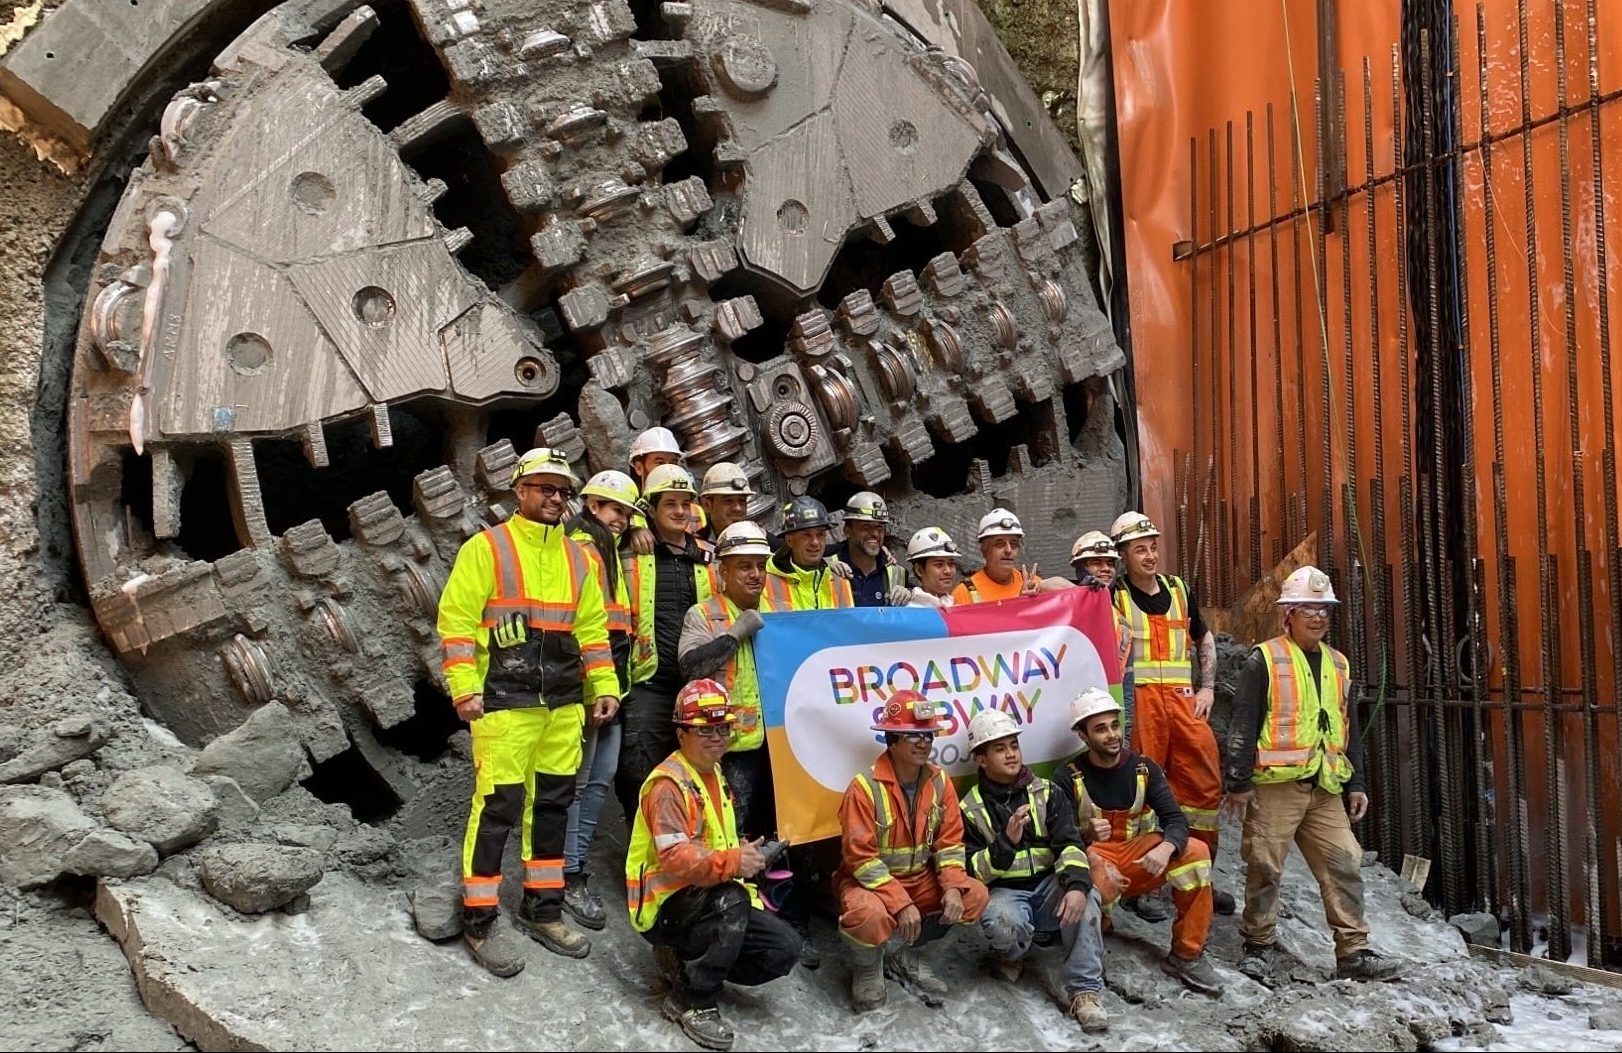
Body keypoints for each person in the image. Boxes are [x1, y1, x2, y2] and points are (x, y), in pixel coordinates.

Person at [436, 447, 619, 971]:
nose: (554, 498)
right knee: (497, 810)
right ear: (519, 490)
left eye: (561, 491)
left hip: (562, 706)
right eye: (543, 487)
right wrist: (464, 688)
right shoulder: (486, 549)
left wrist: (602, 683)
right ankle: (480, 918)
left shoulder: (580, 557)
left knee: (553, 809)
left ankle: (543, 909)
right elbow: (457, 623)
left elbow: (592, 631)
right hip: (503, 704)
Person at [1222, 566, 1405, 983]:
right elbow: (1243, 723)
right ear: (1288, 613)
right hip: (1274, 787)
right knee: (1265, 865)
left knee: (1344, 861)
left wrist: (1355, 783)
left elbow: (1347, 726)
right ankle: (1259, 945)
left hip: (1324, 784)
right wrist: (1237, 782)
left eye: (1324, 609)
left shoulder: (1338, 664)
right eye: (1309, 607)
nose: (1319, 616)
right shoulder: (1264, 659)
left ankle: (1354, 951)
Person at [625, 680, 801, 1051]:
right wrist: (736, 863)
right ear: (681, 733)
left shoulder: (714, 776)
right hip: (667, 906)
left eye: (723, 729)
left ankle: (688, 963)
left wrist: (744, 859)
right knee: (731, 900)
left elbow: (717, 844)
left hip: (708, 895)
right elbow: (675, 857)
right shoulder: (669, 784)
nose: (717, 738)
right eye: (706, 730)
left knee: (784, 949)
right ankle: (693, 1001)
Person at [1057, 687, 1224, 996]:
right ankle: (1095, 935)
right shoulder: (1068, 776)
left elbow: (1176, 820)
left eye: (1114, 725)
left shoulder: (1144, 769)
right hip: (1096, 863)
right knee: (1091, 879)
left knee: (1196, 853)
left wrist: (1166, 847)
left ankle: (1187, 954)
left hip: (1137, 860)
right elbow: (1058, 841)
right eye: (1100, 729)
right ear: (1083, 735)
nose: (1111, 735)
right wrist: (1087, 837)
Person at [1109, 511, 1231, 915]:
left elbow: (1204, 637)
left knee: (1204, 782)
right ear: (1123, 554)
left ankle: (1198, 875)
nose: (1149, 555)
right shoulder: (1114, 594)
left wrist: (1208, 686)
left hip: (1183, 701)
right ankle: (1144, 884)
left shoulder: (1178, 588)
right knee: (1141, 790)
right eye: (1139, 549)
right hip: (1141, 703)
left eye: (1153, 547)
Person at [837, 689, 990, 1011]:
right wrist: (901, 902)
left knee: (972, 896)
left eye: (928, 735)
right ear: (891, 740)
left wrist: (952, 886)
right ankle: (868, 970)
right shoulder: (863, 788)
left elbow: (949, 845)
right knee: (867, 915)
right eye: (912, 736)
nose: (924, 743)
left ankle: (910, 957)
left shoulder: (939, 782)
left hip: (921, 877)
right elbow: (861, 860)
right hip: (871, 885)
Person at [960, 710, 1107, 1031]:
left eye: (1013, 745)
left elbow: (1069, 845)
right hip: (1005, 893)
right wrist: (1006, 842)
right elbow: (972, 871)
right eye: (999, 749)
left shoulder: (1046, 792)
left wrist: (1076, 887)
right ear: (981, 759)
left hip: (1048, 887)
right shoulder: (970, 808)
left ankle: (1085, 992)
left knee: (1089, 898)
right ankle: (1012, 954)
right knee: (1000, 920)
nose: (1011, 753)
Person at [615, 465, 720, 828]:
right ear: (651, 509)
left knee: (701, 778)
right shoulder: (629, 549)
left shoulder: (709, 556)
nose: (679, 511)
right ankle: (645, 862)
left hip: (698, 687)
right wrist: (633, 524)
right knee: (639, 775)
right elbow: (586, 533)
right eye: (670, 504)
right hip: (649, 684)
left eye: (685, 503)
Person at [559, 469, 640, 930]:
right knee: (582, 779)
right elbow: (583, 625)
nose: (622, 521)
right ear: (592, 506)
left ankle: (573, 866)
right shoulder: (582, 548)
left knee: (598, 778)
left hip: (610, 684)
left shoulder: (602, 545)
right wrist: (595, 689)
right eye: (616, 511)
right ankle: (568, 874)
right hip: (592, 686)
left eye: (627, 514)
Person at [677, 522, 776, 837]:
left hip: (775, 743)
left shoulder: (780, 614)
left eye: (760, 566)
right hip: (726, 746)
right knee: (732, 828)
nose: (755, 574)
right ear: (723, 571)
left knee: (772, 827)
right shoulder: (702, 615)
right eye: (744, 566)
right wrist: (734, 634)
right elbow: (690, 668)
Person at [950, 508, 1071, 604]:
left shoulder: (1032, 584)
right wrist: (1019, 602)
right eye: (1000, 544)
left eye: (1014, 544)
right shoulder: (963, 593)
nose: (1008, 550)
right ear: (984, 549)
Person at [763, 496, 854, 610]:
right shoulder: (764, 582)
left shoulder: (839, 582)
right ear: (789, 541)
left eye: (820, 534)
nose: (815, 542)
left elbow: (848, 626)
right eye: (806, 535)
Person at [830, 492, 907, 607]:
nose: (875, 534)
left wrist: (909, 594)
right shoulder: (828, 568)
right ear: (847, 531)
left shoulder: (897, 573)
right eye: (866, 527)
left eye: (879, 527)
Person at [903, 527, 963, 607]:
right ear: (919, 570)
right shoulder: (907, 611)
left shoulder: (958, 608)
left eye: (951, 564)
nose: (948, 571)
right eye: (939, 564)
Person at [697, 462, 756, 542]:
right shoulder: (695, 548)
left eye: (742, 501)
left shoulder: (766, 542)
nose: (737, 508)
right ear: (707, 504)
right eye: (728, 501)